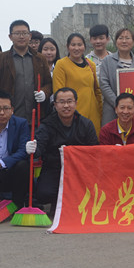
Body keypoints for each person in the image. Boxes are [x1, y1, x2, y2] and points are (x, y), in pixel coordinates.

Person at [27, 87, 100, 217]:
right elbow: (39, 149)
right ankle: (57, 202)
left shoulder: (86, 124)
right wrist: (33, 148)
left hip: (79, 170)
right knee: (44, 194)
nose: (66, 106)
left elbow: (94, 151)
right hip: (54, 169)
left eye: (69, 101)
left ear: (76, 103)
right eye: (61, 102)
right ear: (55, 105)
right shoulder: (47, 125)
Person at [0, 20, 53, 125]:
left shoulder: (40, 59)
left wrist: (44, 92)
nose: (21, 37)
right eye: (17, 33)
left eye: (24, 33)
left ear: (29, 36)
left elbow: (49, 83)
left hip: (36, 118)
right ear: (10, 37)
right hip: (8, 119)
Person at [52, 32, 103, 135]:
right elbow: (58, 92)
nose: (76, 48)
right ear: (68, 47)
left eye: (79, 45)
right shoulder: (61, 64)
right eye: (73, 45)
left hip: (93, 114)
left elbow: (96, 90)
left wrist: (100, 110)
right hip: (72, 115)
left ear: (84, 47)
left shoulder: (91, 65)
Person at [99, 28, 134, 125]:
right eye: (121, 38)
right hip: (111, 108)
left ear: (133, 42)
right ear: (116, 42)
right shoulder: (107, 61)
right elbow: (103, 84)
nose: (124, 41)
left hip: (132, 110)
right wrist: (118, 103)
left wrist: (130, 105)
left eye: (127, 38)